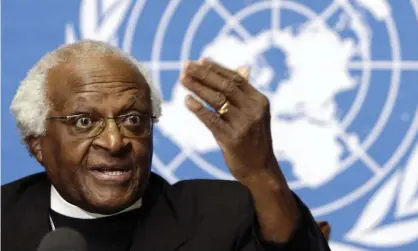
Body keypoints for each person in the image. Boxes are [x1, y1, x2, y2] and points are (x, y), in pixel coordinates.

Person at [1, 40, 330, 251]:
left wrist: (260, 171)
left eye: (133, 119)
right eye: (85, 122)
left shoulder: (222, 216)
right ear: (38, 145)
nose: (114, 142)